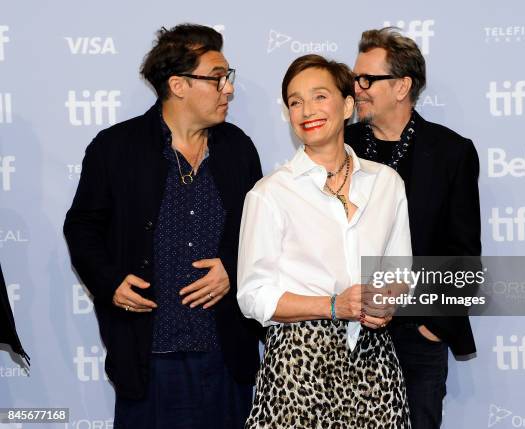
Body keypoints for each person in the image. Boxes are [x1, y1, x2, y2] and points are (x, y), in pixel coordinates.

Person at [64, 24, 262, 429]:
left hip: (225, 354)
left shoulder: (238, 148)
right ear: (179, 84)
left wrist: (232, 265)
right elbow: (81, 227)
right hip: (149, 358)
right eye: (217, 78)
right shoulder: (115, 147)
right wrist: (110, 280)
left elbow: (261, 231)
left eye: (229, 78)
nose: (229, 89)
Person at [237, 54, 411, 428]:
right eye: (295, 102)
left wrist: (386, 300)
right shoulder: (270, 194)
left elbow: (401, 271)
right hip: (298, 366)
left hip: (373, 362)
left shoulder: (386, 183)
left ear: (347, 105)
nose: (306, 110)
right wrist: (334, 305)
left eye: (319, 97)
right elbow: (253, 296)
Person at [345, 28, 482, 429]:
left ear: (403, 85)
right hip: (345, 330)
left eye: (368, 79)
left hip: (414, 334)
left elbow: (462, 252)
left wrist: (431, 326)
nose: (357, 88)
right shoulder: (340, 144)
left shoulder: (451, 152)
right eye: (356, 78)